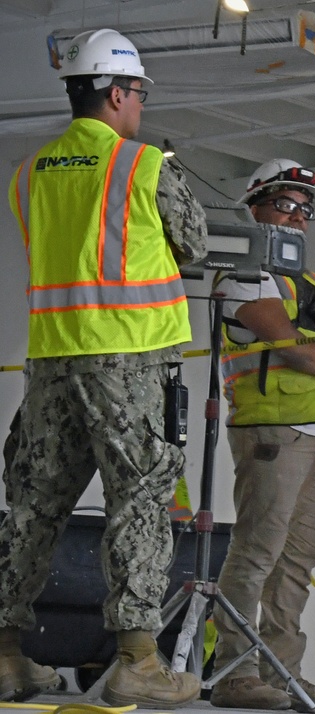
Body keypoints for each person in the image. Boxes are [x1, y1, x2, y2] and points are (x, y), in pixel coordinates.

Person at [0, 28, 207, 707]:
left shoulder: (28, 173)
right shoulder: (143, 165)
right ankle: (137, 658)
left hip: (52, 362)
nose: (141, 106)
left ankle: (3, 652)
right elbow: (195, 244)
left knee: (33, 506)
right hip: (128, 362)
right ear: (117, 93)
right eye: (138, 94)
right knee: (140, 502)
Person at [209, 159, 315, 711]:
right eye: (285, 203)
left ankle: (281, 676)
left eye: (306, 208)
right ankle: (235, 673)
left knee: (298, 559)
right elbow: (293, 347)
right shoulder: (243, 277)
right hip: (272, 432)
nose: (297, 217)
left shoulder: (310, 282)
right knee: (257, 553)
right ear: (253, 208)